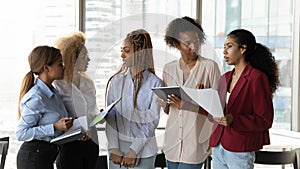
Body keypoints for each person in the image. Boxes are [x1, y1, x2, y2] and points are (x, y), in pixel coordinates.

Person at [209, 29, 280, 169]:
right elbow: (214, 112)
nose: (224, 52)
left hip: (240, 148)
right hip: (218, 146)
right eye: (224, 47)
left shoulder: (257, 78)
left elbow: (265, 120)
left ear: (242, 49)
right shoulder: (225, 78)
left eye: (229, 46)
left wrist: (234, 119)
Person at [161, 16, 221, 169]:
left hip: (195, 144)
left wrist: (186, 105)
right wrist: (164, 103)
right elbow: (169, 110)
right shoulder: (169, 69)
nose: (194, 47)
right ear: (175, 44)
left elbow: (217, 111)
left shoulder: (210, 67)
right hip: (172, 143)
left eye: (197, 42)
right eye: (187, 43)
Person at [105, 29, 163, 169]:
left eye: (127, 50)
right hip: (117, 149)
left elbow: (152, 121)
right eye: (122, 50)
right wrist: (114, 148)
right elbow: (110, 118)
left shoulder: (155, 83)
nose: (122, 55)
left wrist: (134, 151)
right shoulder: (116, 82)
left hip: (144, 151)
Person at [16, 45, 73, 169]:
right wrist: (53, 127)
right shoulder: (36, 98)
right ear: (46, 68)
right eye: (59, 64)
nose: (64, 67)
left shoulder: (54, 92)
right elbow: (21, 133)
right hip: (33, 159)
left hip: (46, 156)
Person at [53, 32, 100, 169]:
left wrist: (100, 116)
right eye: (84, 57)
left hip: (91, 140)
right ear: (72, 59)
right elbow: (57, 117)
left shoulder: (88, 82)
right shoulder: (58, 84)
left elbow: (93, 111)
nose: (88, 60)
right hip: (70, 142)